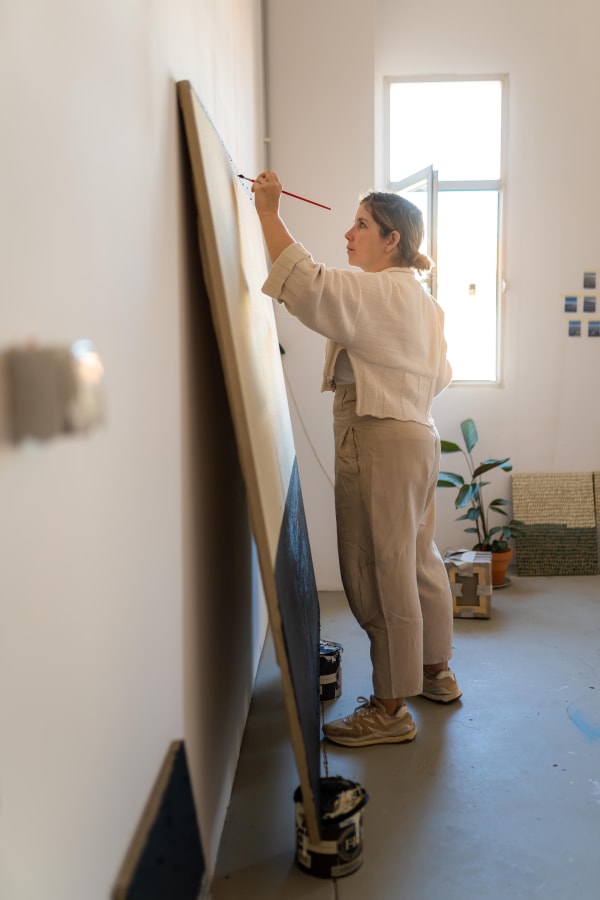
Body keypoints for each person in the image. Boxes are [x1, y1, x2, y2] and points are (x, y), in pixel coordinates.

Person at [252, 170, 461, 748]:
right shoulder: (423, 301)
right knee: (417, 557)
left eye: (362, 225)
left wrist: (269, 213)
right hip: (417, 433)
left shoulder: (380, 291)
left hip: (380, 437)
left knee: (379, 567)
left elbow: (311, 287)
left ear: (392, 240)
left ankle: (391, 708)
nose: (349, 233)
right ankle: (435, 672)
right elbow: (440, 376)